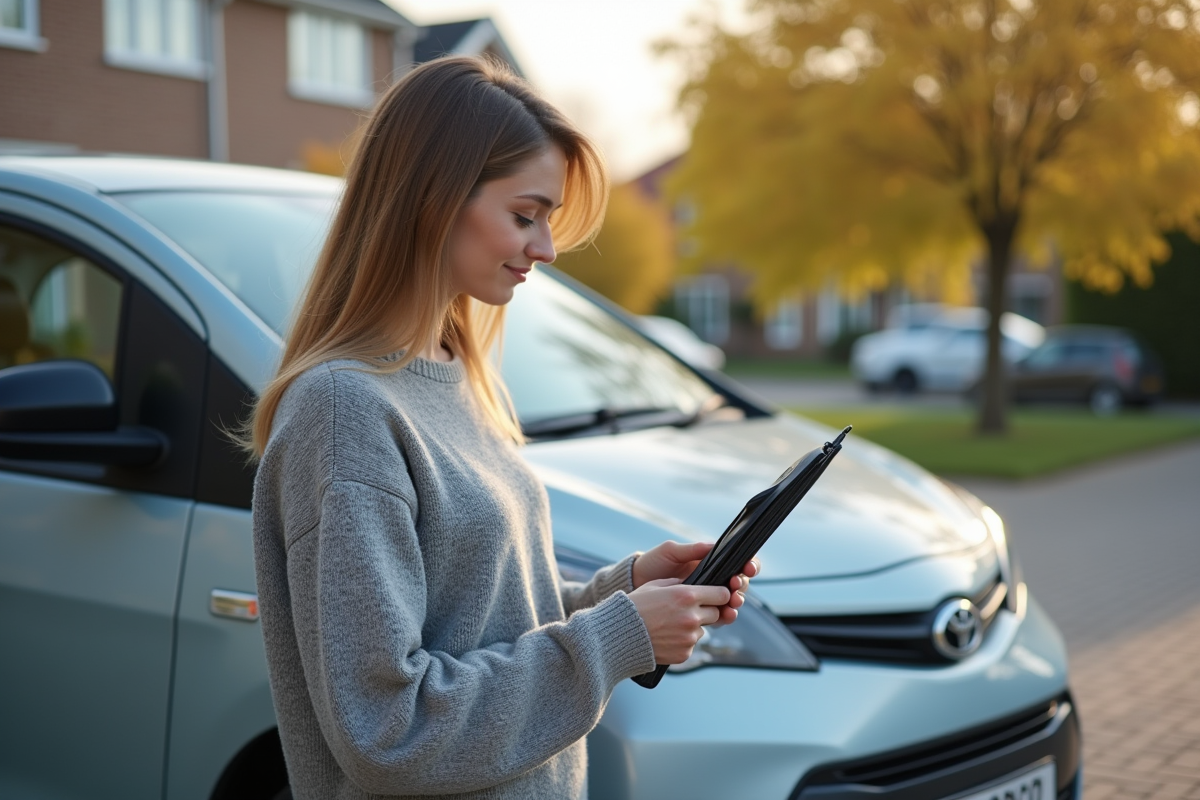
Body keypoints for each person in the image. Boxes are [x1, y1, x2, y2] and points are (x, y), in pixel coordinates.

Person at [248, 55, 759, 800]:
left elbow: (483, 621)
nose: (545, 250)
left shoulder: (458, 374)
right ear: (433, 199)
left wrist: (626, 591)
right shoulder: (345, 413)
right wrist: (620, 639)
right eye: (525, 216)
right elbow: (388, 732)